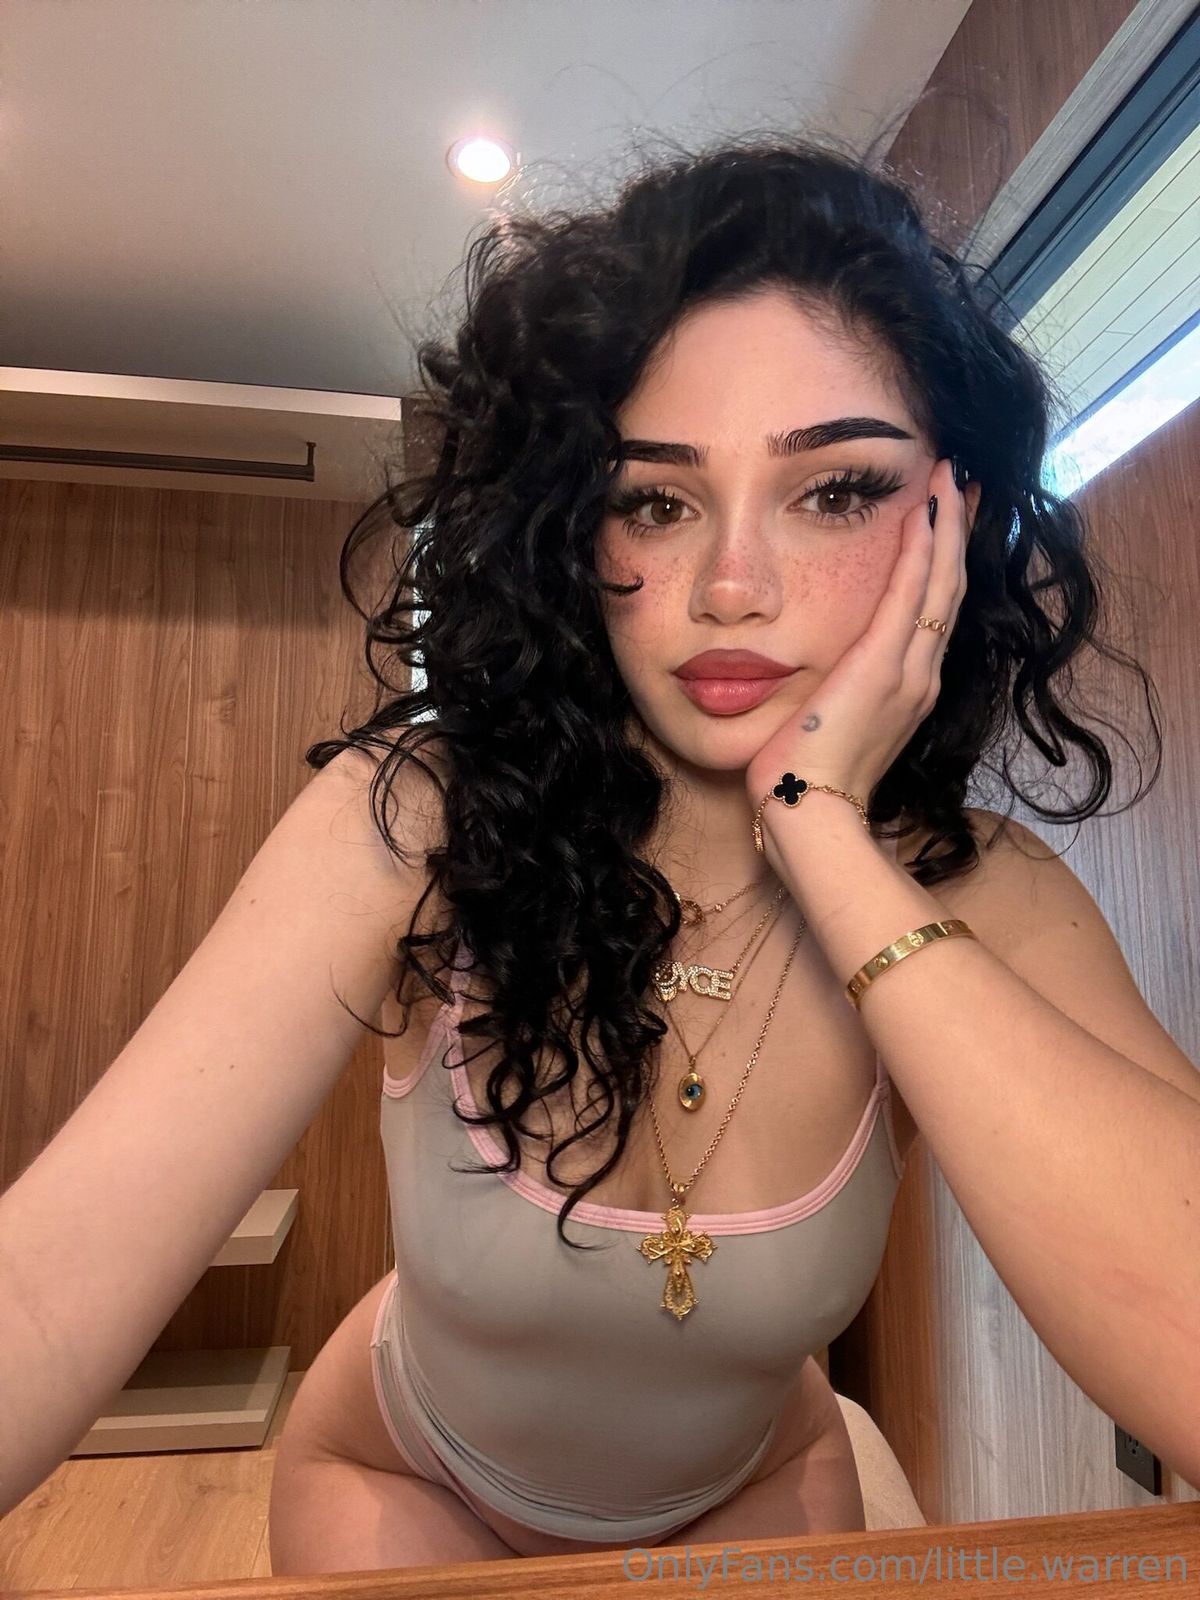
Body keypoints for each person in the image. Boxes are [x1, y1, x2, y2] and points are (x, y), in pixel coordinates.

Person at [3, 129, 1184, 1571]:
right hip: (408, 1475)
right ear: (574, 531)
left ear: (952, 514)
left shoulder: (989, 895)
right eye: (656, 501)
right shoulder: (419, 820)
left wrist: (826, 835)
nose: (733, 586)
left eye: (835, 491)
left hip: (757, 1486)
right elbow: (42, 1293)